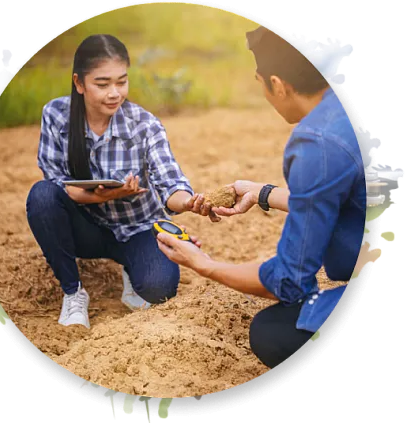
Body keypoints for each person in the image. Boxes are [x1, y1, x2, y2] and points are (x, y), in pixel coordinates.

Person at [156, 25, 367, 369]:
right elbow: (339, 196)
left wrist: (203, 264)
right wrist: (263, 193)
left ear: (279, 86)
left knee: (270, 331)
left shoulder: (316, 141)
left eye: (261, 85)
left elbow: (289, 280)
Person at [26, 34, 207, 329]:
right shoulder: (56, 116)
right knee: (41, 196)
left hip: (138, 228)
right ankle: (73, 292)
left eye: (122, 82)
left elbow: (169, 182)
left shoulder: (145, 124)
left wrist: (190, 202)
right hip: (87, 227)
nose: (114, 93)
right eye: (102, 84)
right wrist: (102, 197)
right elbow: (57, 183)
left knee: (160, 288)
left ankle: (131, 267)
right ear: (79, 83)